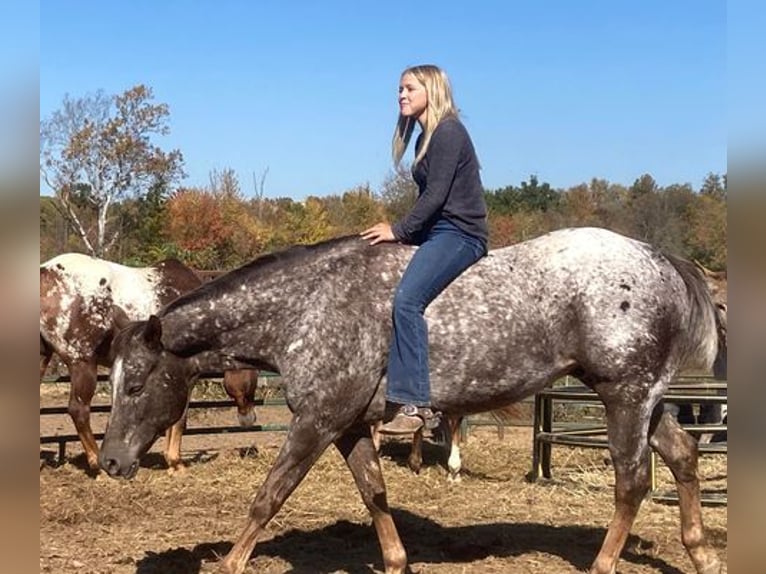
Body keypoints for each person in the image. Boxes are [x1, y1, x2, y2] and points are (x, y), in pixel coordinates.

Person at [361, 64, 489, 435]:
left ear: (431, 91)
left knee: (407, 300)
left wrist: (399, 230)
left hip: (461, 233)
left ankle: (416, 405)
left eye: (409, 88)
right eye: (399, 89)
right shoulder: (424, 139)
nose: (401, 95)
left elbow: (436, 197)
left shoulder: (448, 132)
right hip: (437, 231)